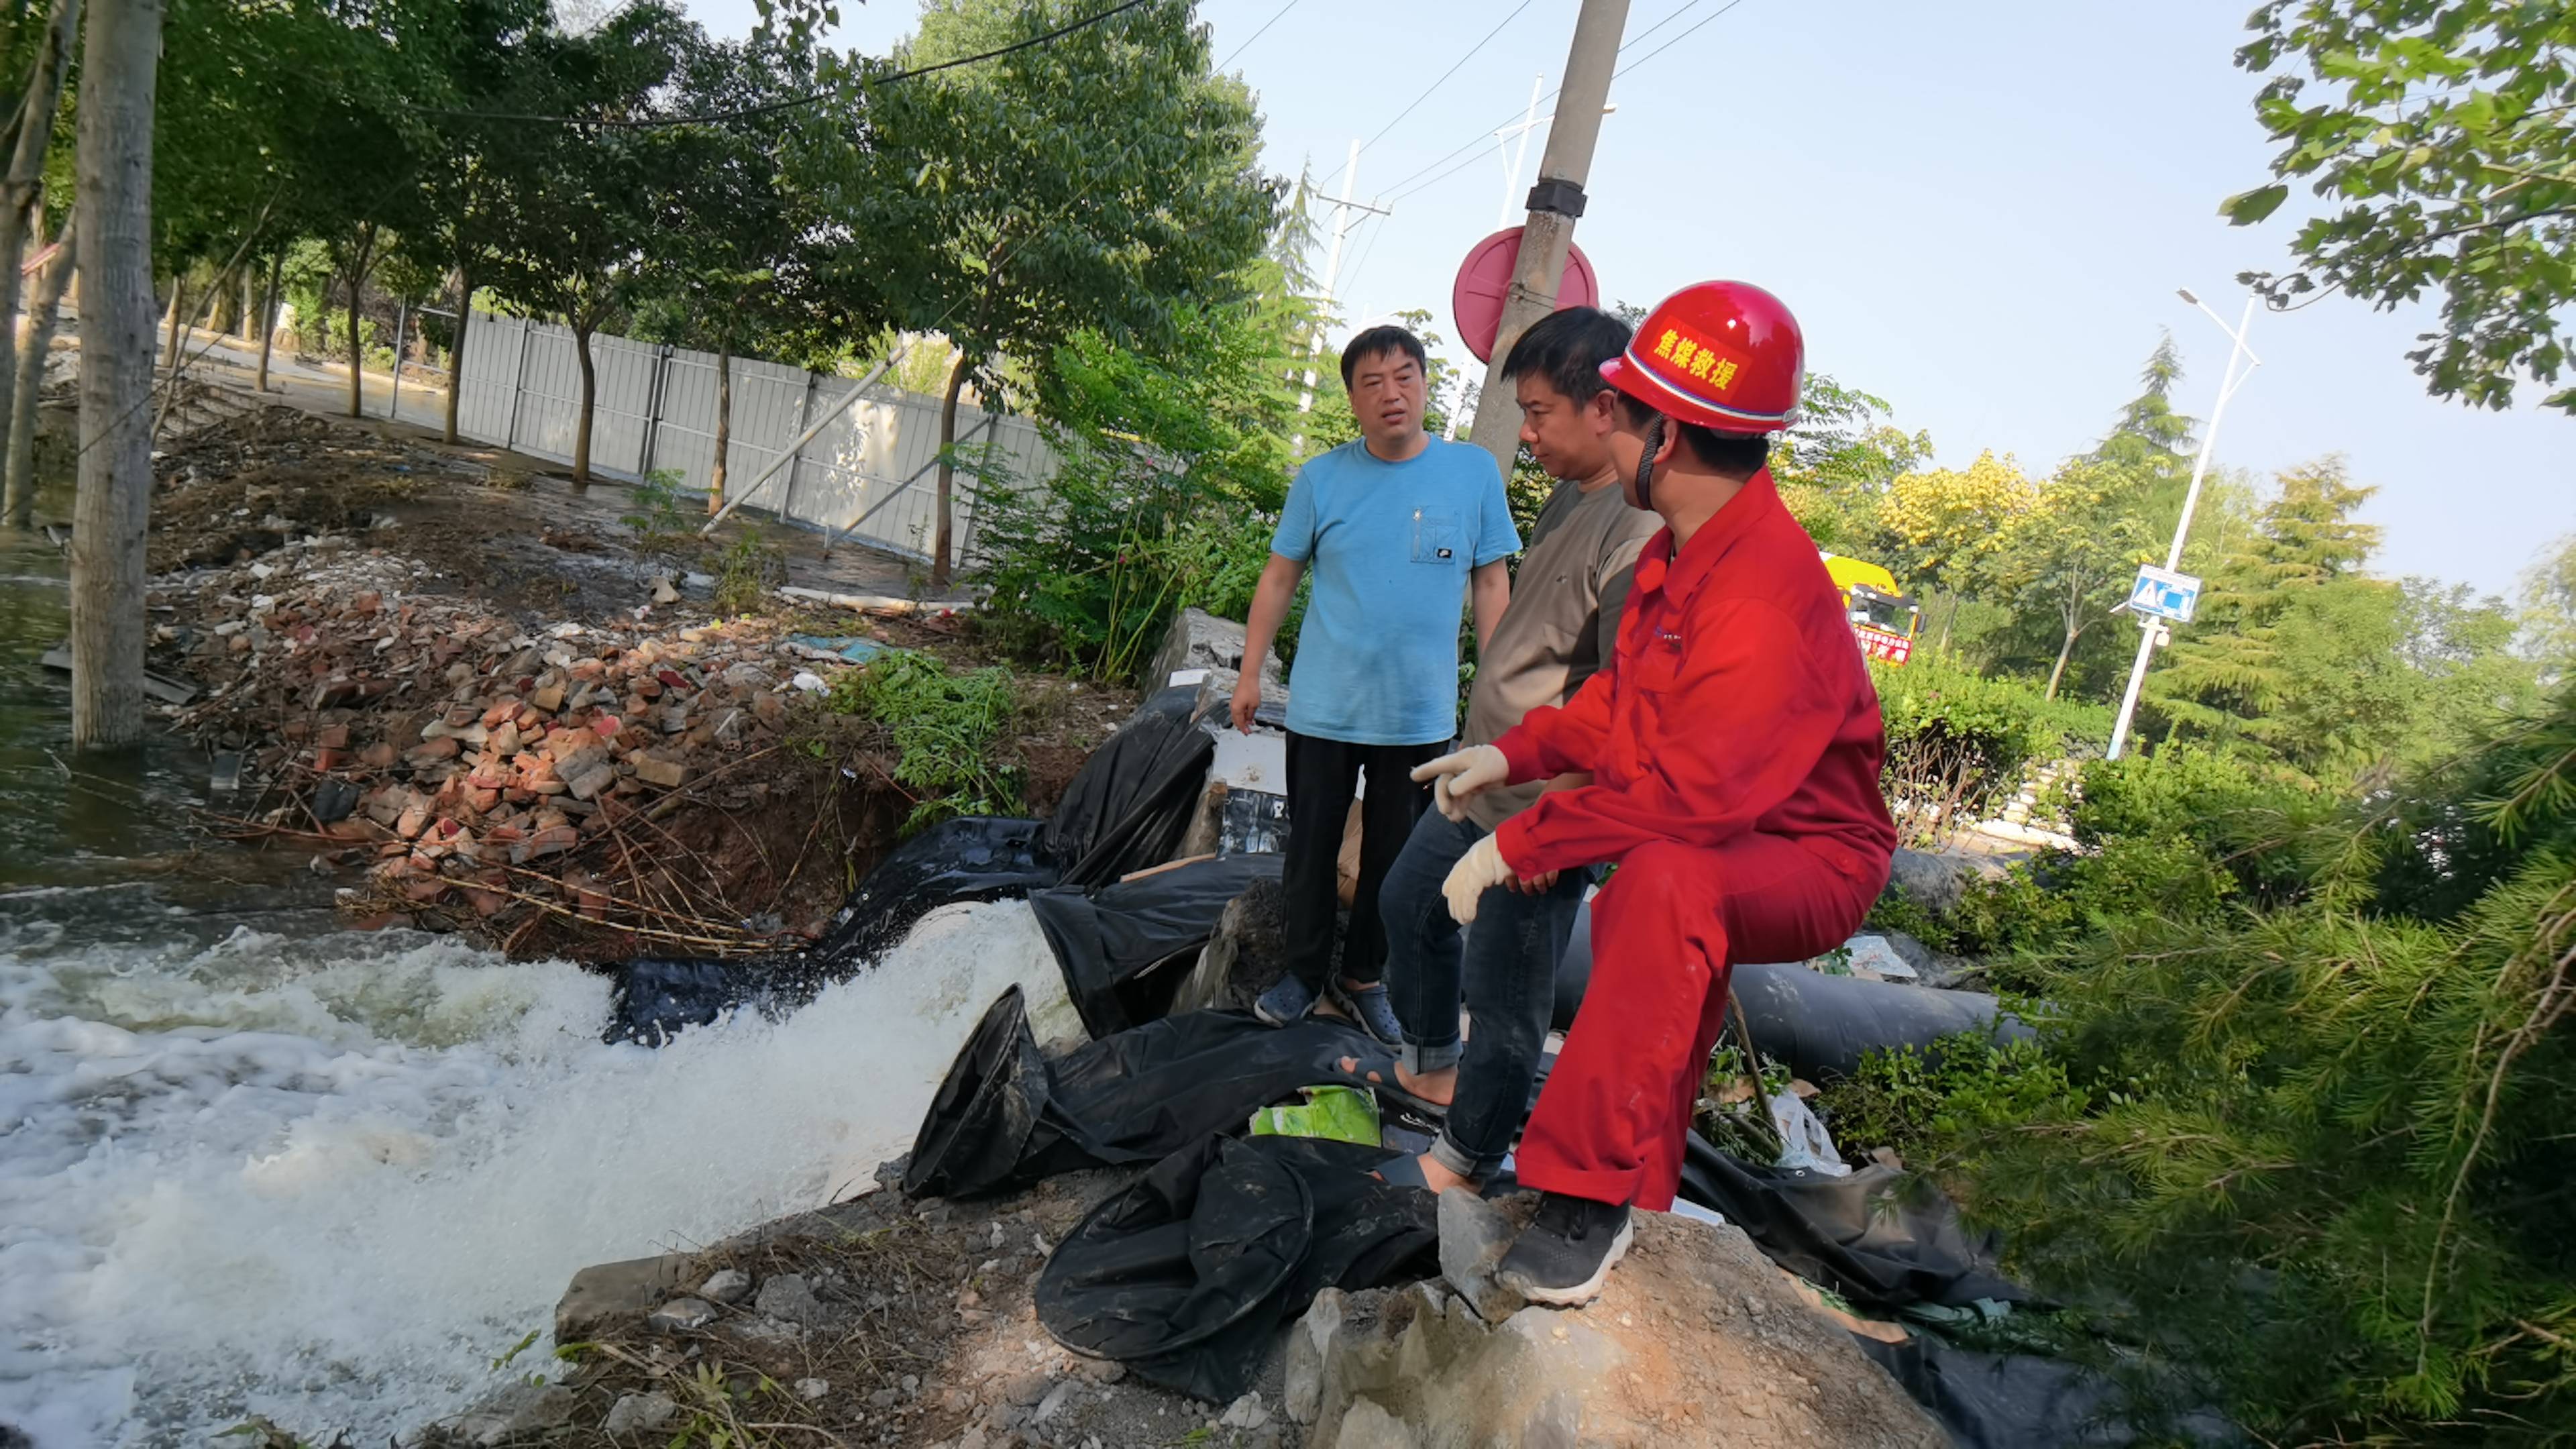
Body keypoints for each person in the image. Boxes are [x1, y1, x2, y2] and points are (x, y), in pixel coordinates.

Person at [1413, 281, 1897, 1306]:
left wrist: (1526, 841)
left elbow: (1690, 790)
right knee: (1676, 910)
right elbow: (1625, 705)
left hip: (1810, 851)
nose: (1598, 424)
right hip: (1732, 827)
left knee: (1667, 885)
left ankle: (1588, 1194)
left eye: (1621, 411)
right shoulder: (1687, 554)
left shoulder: (1761, 593)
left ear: (1665, 436)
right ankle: (1644, 1182)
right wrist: (1516, 754)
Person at [1372, 306, 1660, 1194]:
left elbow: (1622, 703)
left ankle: (1467, 1156)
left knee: (1508, 1000)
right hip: (1486, 773)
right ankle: (1429, 1065)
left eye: (1538, 413)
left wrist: (1561, 825)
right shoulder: (1575, 495)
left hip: (1541, 812)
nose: (1526, 433)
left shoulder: (1640, 532)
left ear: (1603, 407)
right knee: (1407, 903)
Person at [1232, 324, 1518, 1042]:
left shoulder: (1472, 473)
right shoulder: (1322, 478)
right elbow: (1280, 575)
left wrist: (1497, 689)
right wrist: (1247, 673)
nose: (1392, 394)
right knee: (1311, 849)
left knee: (1395, 860)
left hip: (1419, 716)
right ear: (1353, 400)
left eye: (1405, 377)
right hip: (1326, 706)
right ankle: (1301, 974)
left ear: (1426, 384)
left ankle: (1363, 978)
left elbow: (1490, 583)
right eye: (1372, 383)